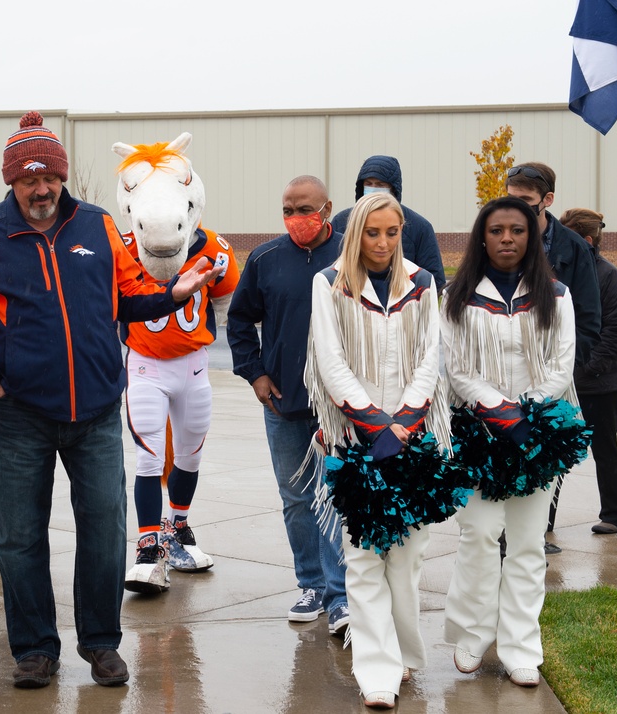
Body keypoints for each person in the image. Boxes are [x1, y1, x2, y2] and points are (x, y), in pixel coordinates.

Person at [0, 111, 222, 689]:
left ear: (63, 177)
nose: (41, 190)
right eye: (28, 180)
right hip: (20, 416)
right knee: (19, 538)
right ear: (11, 181)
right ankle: (36, 650)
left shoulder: (96, 228)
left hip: (94, 412)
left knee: (102, 532)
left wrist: (174, 293)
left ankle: (100, 644)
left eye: (49, 178)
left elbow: (130, 298)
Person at [306, 192, 443, 709]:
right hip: (353, 438)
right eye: (372, 232)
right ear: (356, 232)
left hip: (412, 439)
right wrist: (372, 425)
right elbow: (329, 358)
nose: (382, 243)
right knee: (362, 558)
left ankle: (405, 653)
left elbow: (433, 356)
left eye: (391, 232)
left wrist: (404, 423)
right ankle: (376, 669)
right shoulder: (329, 283)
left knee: (407, 558)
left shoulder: (424, 283)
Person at [441, 196, 577, 689]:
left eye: (516, 230)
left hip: (536, 436)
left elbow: (563, 365)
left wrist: (527, 414)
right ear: (482, 236)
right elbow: (456, 369)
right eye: (496, 230)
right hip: (479, 432)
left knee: (526, 543)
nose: (506, 239)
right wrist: (498, 412)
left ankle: (521, 646)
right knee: (477, 533)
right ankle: (473, 634)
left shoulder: (556, 295)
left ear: (532, 235)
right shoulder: (458, 295)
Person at [227, 175, 350, 638]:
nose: (297, 219)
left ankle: (340, 595)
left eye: (306, 209)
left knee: (336, 496)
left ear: (328, 209)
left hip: (339, 405)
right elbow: (239, 321)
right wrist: (256, 374)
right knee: (297, 497)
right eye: (288, 210)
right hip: (283, 404)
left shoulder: (350, 256)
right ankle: (311, 585)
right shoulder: (265, 259)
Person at [120, 223, 239, 593]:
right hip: (145, 363)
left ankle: (176, 526)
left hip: (194, 363)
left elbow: (226, 299)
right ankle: (148, 547)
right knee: (150, 458)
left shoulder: (214, 245)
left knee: (190, 454)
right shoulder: (123, 245)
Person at [506, 162, 601, 551]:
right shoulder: (497, 238)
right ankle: (503, 534)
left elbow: (589, 320)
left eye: (526, 202)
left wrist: (565, 372)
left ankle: (540, 532)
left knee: (546, 462)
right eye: (512, 200)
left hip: (554, 380)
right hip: (503, 377)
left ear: (547, 200)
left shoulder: (573, 248)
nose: (518, 210)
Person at [560, 208, 617, 540]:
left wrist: (586, 370)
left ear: (587, 241)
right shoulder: (564, 274)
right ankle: (538, 524)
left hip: (601, 385)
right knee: (553, 454)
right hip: (565, 381)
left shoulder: (609, 277)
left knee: (604, 448)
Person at [331, 155, 446, 290]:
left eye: (380, 184)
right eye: (369, 183)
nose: (373, 188)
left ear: (393, 188)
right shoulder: (342, 221)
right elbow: (333, 272)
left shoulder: (419, 227)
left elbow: (434, 280)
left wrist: (405, 301)